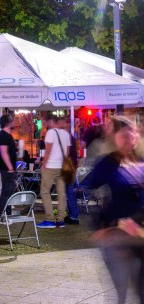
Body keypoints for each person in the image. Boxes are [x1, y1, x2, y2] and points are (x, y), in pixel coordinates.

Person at [83, 116, 144, 303]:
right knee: (122, 292)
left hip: (141, 235)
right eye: (123, 136)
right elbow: (84, 188)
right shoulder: (108, 164)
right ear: (114, 138)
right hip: (116, 236)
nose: (129, 139)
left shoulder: (140, 162)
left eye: (131, 135)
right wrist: (99, 226)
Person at [36, 115, 72, 229]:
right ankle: (60, 220)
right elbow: (67, 152)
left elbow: (48, 150)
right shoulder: (66, 134)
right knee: (61, 194)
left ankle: (50, 219)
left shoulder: (51, 132)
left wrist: (44, 165)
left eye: (46, 122)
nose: (46, 124)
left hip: (50, 166)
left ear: (51, 122)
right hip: (61, 167)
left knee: (45, 192)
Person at [0, 115, 19, 216]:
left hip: (8, 168)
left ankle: (7, 214)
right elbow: (4, 153)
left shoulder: (7, 135)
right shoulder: (3, 135)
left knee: (9, 192)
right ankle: (4, 215)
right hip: (6, 169)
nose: (13, 122)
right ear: (7, 122)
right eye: (11, 120)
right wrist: (10, 167)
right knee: (6, 192)